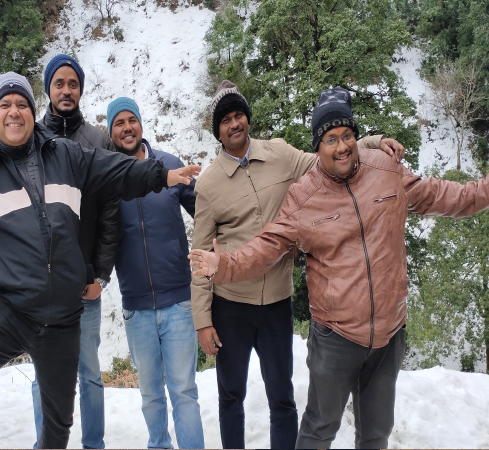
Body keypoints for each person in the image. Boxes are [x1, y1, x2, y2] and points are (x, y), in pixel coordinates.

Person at [0, 72, 199, 449]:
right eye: (5, 104)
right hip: (8, 309)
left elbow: (114, 169)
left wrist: (161, 174)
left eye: (22, 103)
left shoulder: (64, 155)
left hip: (63, 318)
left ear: (32, 112)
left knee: (57, 426)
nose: (14, 111)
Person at [189, 87, 489, 449]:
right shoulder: (301, 196)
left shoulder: (384, 169)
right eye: (330, 139)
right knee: (318, 429)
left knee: (376, 433)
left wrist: (484, 190)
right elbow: (266, 247)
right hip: (335, 335)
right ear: (319, 147)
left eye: (348, 135)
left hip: (388, 331)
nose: (341, 146)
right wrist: (221, 266)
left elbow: (445, 195)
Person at [106, 97, 204, 449]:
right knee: (150, 395)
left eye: (131, 120)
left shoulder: (169, 165)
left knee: (184, 391)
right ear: (111, 131)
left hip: (178, 301)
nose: (127, 127)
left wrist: (211, 253)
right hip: (136, 308)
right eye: (119, 123)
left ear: (141, 124)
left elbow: (205, 212)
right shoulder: (108, 177)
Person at [30, 53, 115, 450]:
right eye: (59, 83)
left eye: (73, 84)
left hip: (84, 283)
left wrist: (101, 274)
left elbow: (110, 213)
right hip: (42, 285)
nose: (66, 90)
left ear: (81, 89)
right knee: (42, 375)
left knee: (90, 373)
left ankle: (93, 444)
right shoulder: (31, 138)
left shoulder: (98, 141)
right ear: (48, 88)